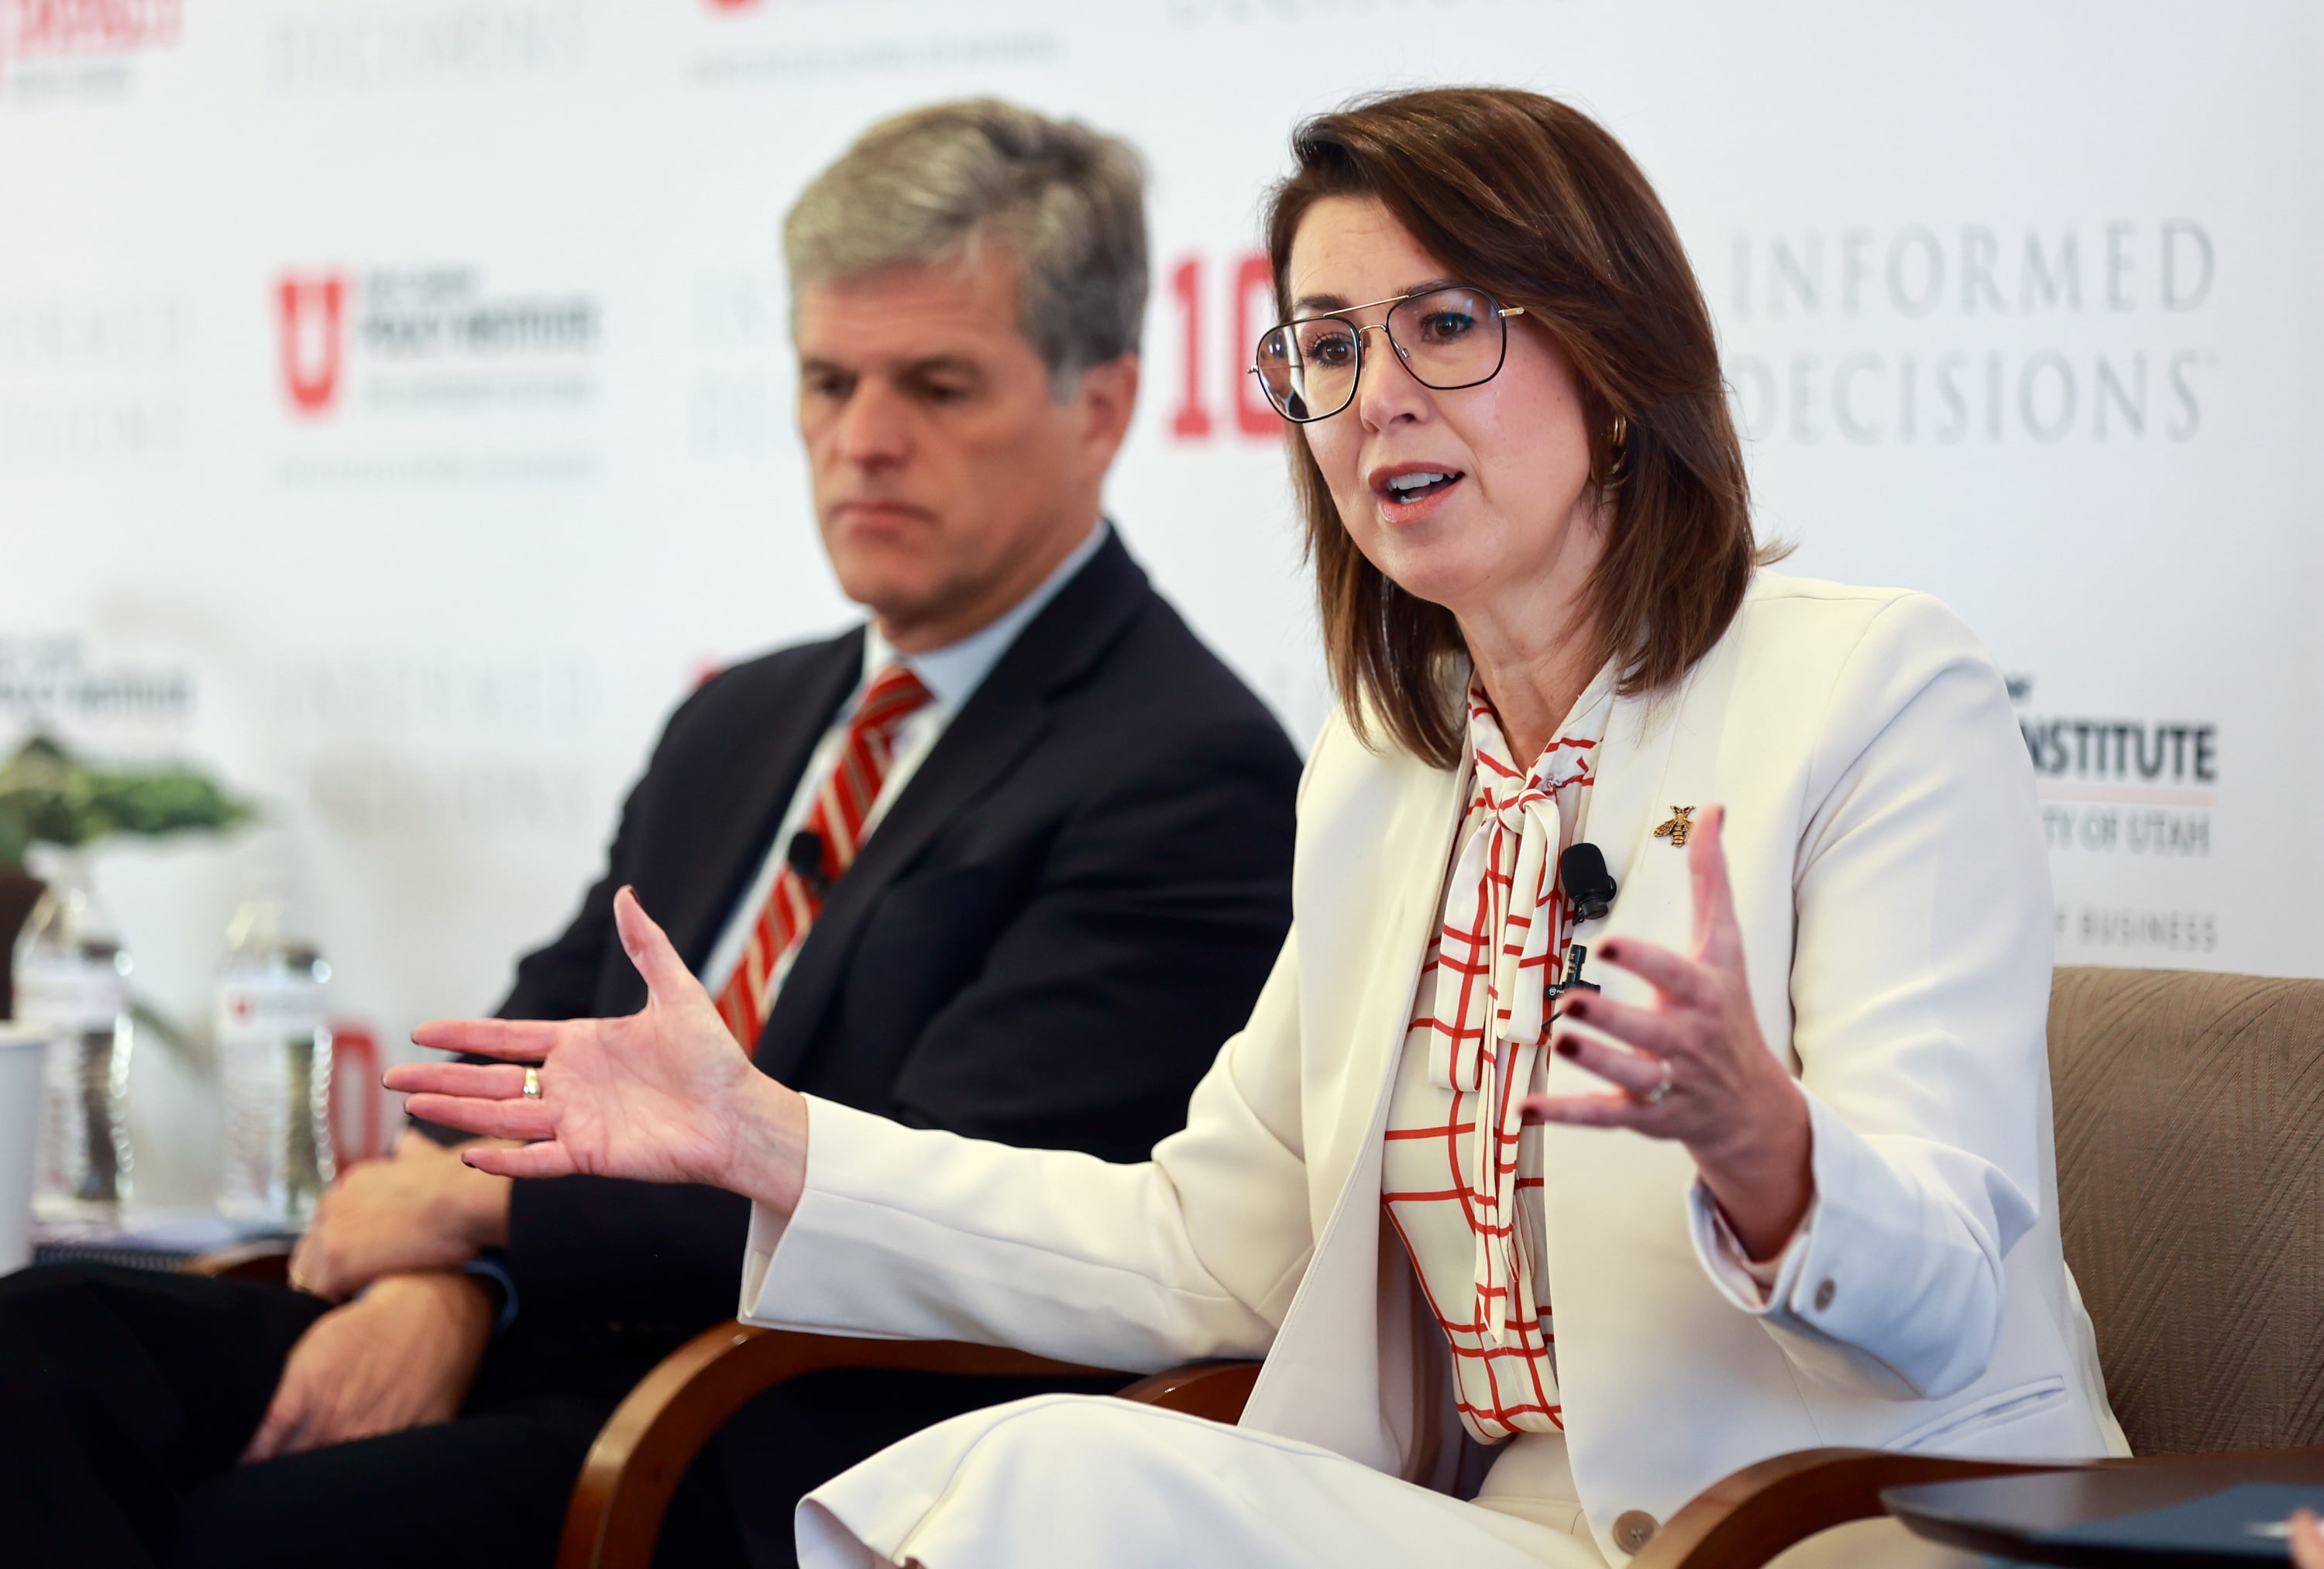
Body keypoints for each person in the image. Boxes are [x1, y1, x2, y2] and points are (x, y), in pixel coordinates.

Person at [397, 87, 2128, 1568]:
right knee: (1034, 1471)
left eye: (1446, 325)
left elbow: (1954, 1294)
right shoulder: (1386, 768)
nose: (1378, 398)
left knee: (1048, 1490)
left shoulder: (1870, 689)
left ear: (1613, 362)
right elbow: (1202, 1243)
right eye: (1329, 345)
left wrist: (1770, 1151)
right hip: (1502, 1524)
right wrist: (772, 1140)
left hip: (1836, 1523)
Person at [0, 101, 1303, 1569]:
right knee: (40, 1348)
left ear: (1105, 406)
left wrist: (475, 1224)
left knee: (237, 1534)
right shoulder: (741, 716)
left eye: (938, 386)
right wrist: (450, 1283)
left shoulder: (1186, 771)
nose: (864, 440)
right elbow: (528, 1040)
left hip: (756, 1430)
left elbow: (932, 1203)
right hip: (539, 1328)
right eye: (828, 380)